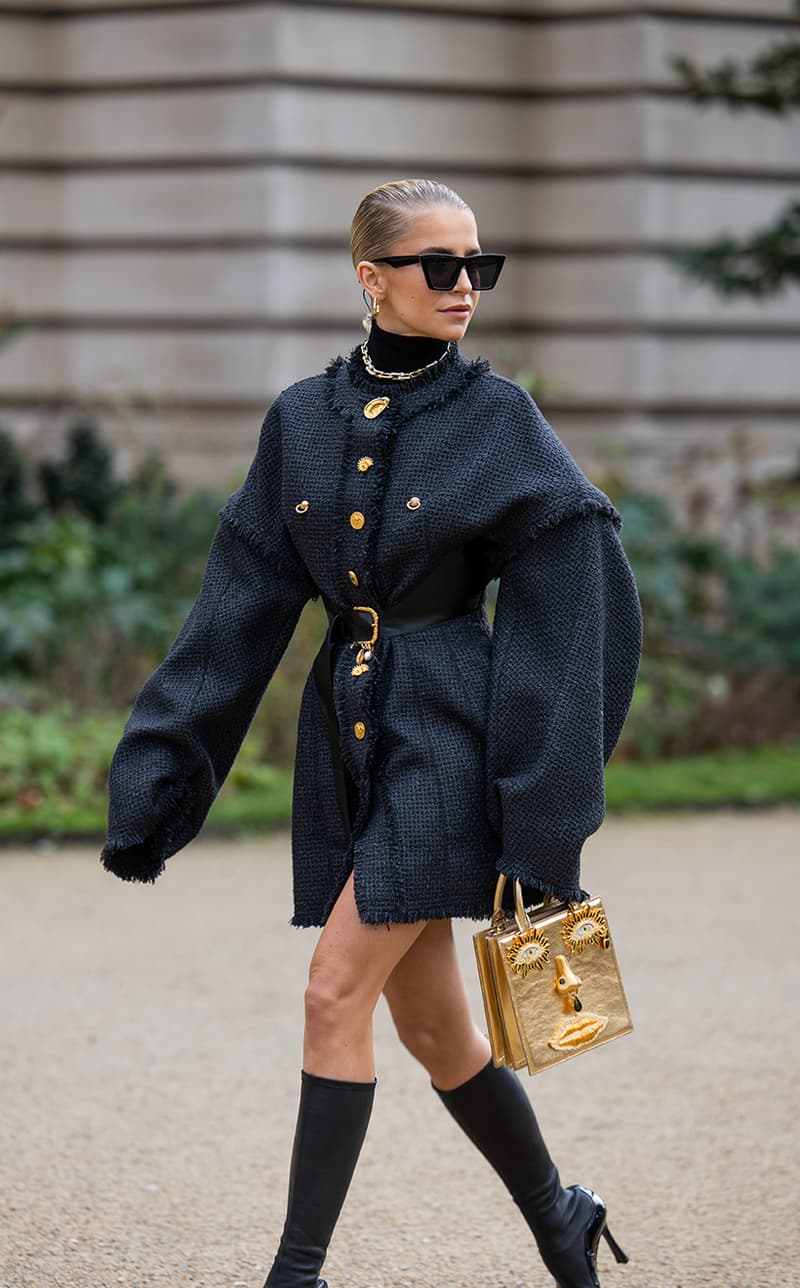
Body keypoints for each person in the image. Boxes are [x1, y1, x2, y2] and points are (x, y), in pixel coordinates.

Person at [101, 178, 643, 1288]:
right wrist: (163, 771)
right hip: (345, 742)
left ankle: (294, 1275)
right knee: (439, 1032)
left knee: (329, 992)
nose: (462, 287)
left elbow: (573, 594)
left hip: (448, 732)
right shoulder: (300, 419)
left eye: (476, 266)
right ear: (370, 276)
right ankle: (560, 1214)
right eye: (437, 265)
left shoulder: (499, 420)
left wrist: (542, 810)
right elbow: (238, 602)